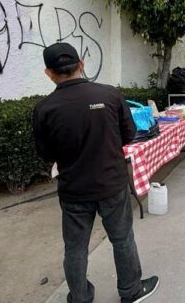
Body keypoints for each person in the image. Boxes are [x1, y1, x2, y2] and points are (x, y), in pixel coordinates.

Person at [32, 42, 159, 303]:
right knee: (122, 239)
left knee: (75, 248)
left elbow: (46, 153)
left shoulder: (44, 109)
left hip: (74, 190)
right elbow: (129, 134)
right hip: (112, 184)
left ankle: (80, 298)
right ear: (81, 64)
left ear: (49, 73)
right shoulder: (110, 94)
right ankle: (131, 291)